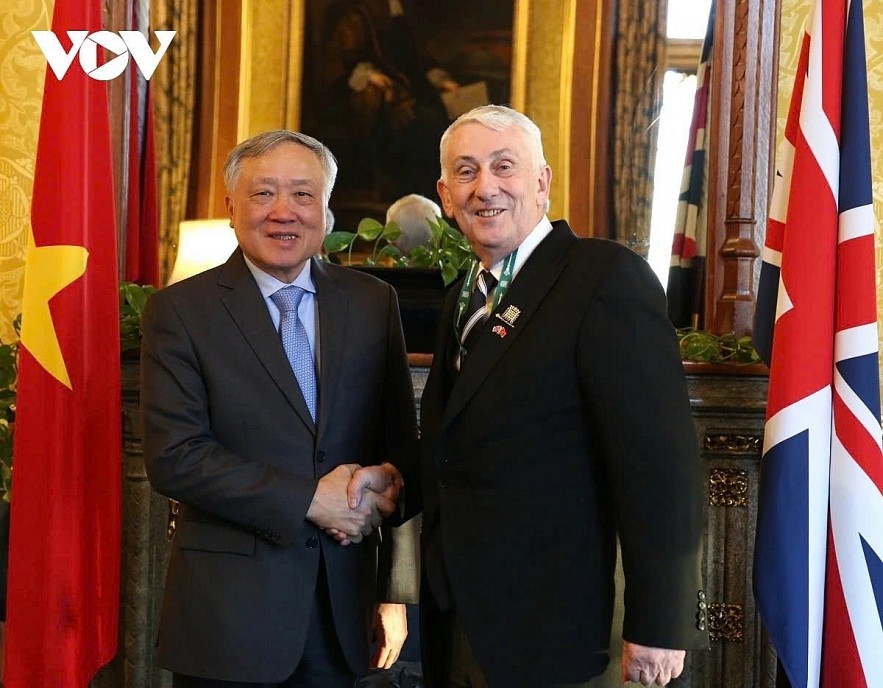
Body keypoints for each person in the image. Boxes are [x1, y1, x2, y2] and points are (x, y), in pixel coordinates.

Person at [415, 105, 709, 687]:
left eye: (505, 167)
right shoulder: (459, 298)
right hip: (460, 615)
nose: (486, 188)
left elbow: (661, 468)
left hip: (558, 624)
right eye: (467, 172)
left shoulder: (603, 277)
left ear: (543, 182)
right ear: (446, 196)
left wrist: (660, 621)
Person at [140, 129, 419, 687]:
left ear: (327, 209)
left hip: (343, 610)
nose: (283, 213)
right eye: (263, 193)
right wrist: (308, 500)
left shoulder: (372, 303)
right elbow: (176, 457)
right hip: (229, 618)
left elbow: (396, 448)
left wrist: (392, 586)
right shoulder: (181, 311)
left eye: (303, 194)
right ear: (231, 207)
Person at [318, 0, 459, 201]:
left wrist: (441, 80)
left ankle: (431, 193)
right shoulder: (355, 18)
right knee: (417, 122)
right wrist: (367, 76)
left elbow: (414, 60)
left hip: (409, 91)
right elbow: (338, 64)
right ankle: (404, 190)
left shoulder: (401, 17)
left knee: (435, 118)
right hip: (372, 96)